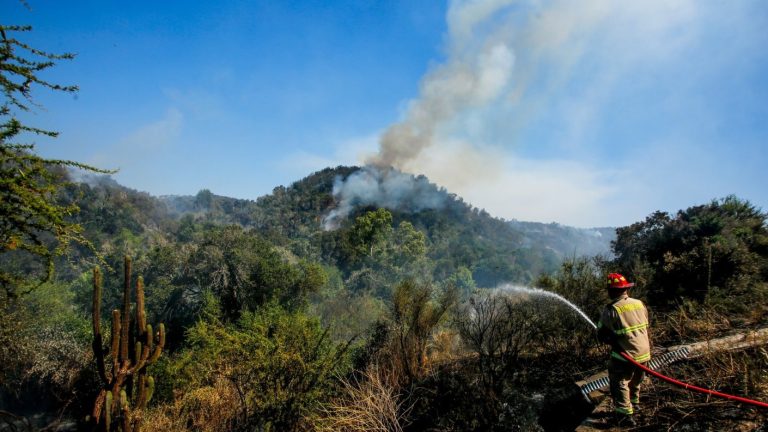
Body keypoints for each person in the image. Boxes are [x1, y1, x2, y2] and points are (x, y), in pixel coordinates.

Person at [597, 273, 650, 427]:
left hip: (626, 355)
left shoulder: (611, 309)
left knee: (619, 381)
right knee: (636, 379)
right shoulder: (639, 303)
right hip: (644, 352)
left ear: (612, 291)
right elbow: (645, 326)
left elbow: (601, 333)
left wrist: (607, 336)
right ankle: (635, 404)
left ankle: (624, 416)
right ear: (626, 289)